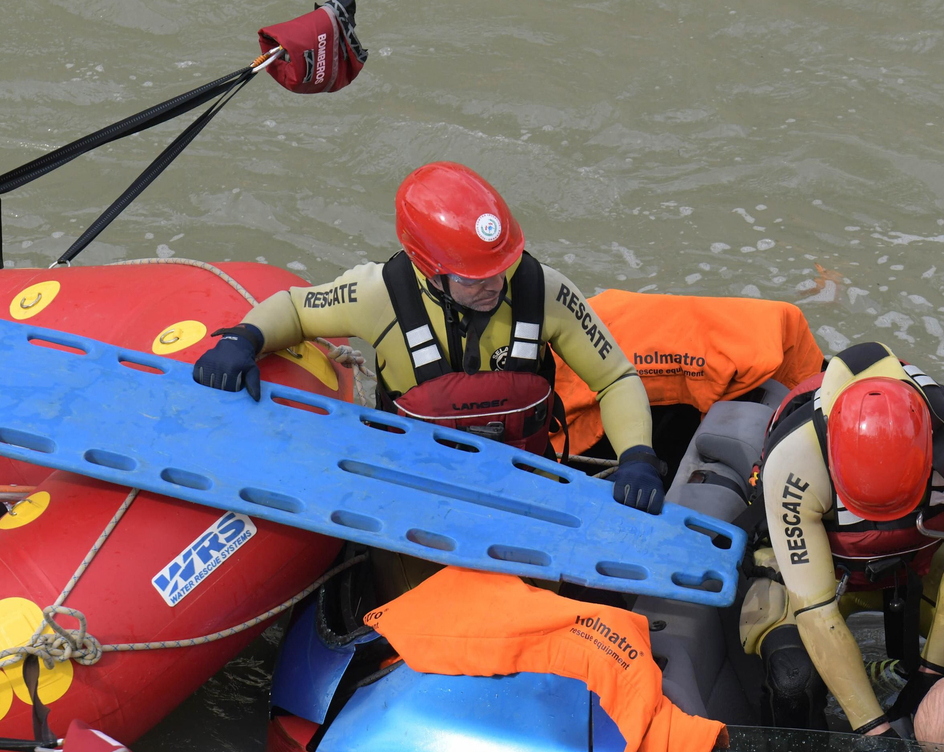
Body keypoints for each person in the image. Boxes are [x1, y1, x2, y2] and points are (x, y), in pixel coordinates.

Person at [191, 161, 665, 513]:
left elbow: (615, 378)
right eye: (472, 278)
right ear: (427, 269)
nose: (494, 285)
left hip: (526, 483)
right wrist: (243, 339)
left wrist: (638, 457)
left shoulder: (545, 292)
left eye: (500, 269)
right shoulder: (377, 294)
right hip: (408, 488)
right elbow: (296, 307)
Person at [755, 341, 944, 752]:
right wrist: (872, 733)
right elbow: (814, 608)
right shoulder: (795, 463)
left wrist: (933, 673)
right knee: (791, 681)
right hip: (822, 576)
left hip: (922, 564)